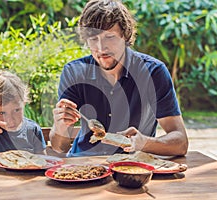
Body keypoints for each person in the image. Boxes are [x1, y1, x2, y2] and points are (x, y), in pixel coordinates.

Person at [49, 0, 188, 157]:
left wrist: (144, 143)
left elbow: (181, 143)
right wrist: (60, 126)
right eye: (94, 39)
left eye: (109, 37)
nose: (101, 48)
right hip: (83, 168)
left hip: (133, 168)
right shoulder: (74, 72)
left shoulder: (153, 72)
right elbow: (59, 147)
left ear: (125, 35)